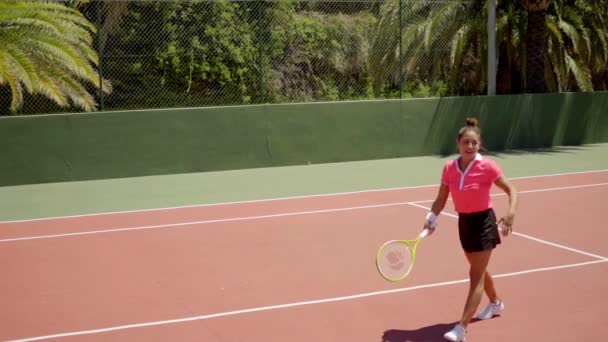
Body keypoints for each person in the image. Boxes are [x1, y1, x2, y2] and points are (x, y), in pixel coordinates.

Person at [423, 117, 519, 342]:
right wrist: (431, 216)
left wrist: (511, 213)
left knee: (475, 275)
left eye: (474, 143)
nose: (470, 147)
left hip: (484, 223)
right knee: (480, 269)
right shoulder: (449, 168)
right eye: (466, 142)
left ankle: (461, 328)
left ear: (480, 144)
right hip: (464, 223)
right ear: (458, 143)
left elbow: (512, 190)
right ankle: (496, 303)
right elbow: (441, 198)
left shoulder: (487, 166)